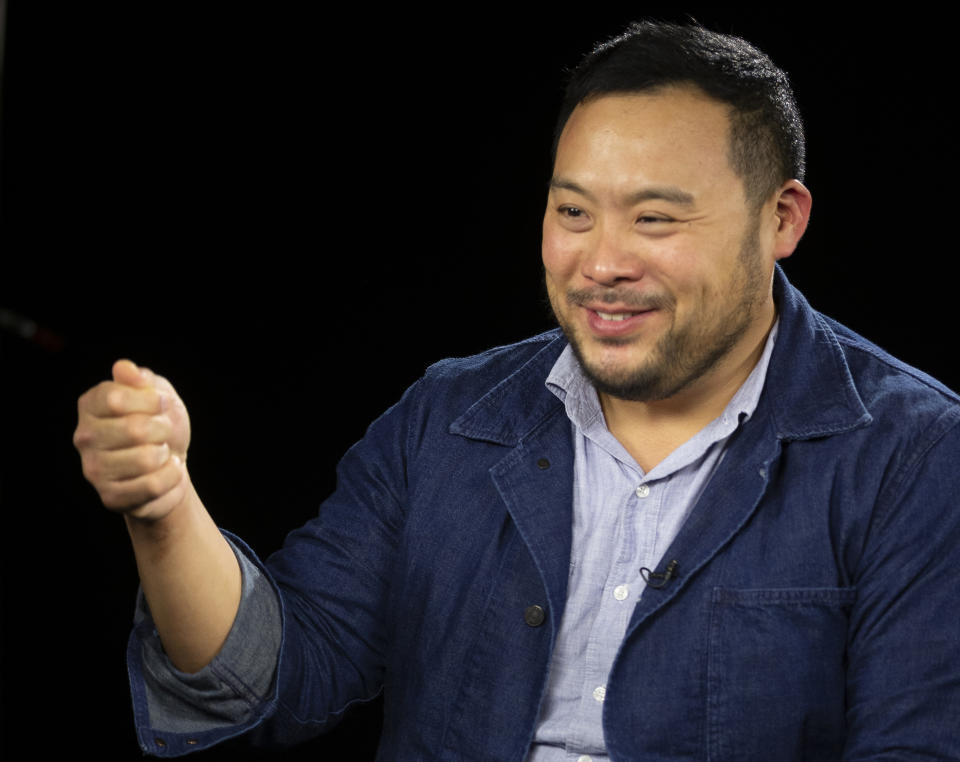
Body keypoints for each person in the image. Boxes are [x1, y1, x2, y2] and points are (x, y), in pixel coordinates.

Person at [74, 21, 960, 761]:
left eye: (654, 218)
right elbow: (276, 673)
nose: (602, 263)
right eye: (574, 212)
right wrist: (164, 508)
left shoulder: (915, 455)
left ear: (782, 219)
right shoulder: (449, 418)